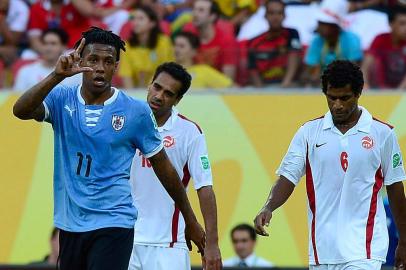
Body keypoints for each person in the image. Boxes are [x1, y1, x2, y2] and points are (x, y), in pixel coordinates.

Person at [12, 27, 205, 270]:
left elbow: (163, 167)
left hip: (114, 222)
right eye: (93, 60)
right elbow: (20, 111)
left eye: (108, 61)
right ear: (80, 60)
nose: (100, 67)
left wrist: (190, 218)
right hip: (70, 223)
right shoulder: (61, 98)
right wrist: (56, 75)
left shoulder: (135, 112)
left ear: (116, 66)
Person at [254, 60, 406, 269]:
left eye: (345, 98)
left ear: (359, 92)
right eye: (331, 98)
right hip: (321, 251)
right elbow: (288, 177)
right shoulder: (308, 132)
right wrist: (268, 207)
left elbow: (396, 188)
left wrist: (404, 241)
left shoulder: (382, 133)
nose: (337, 105)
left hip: (365, 249)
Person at [128, 62, 222, 270]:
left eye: (168, 93)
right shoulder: (126, 123)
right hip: (125, 238)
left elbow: (205, 187)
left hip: (169, 244)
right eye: (157, 87)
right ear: (149, 85)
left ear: (177, 99)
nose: (159, 96)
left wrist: (213, 244)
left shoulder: (189, 132)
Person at [302, 0, 362, 86]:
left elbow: (354, 71)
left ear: (335, 26)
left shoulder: (351, 40)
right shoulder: (316, 40)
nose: (319, 26)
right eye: (319, 22)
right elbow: (310, 70)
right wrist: (312, 75)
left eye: (323, 23)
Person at [247, 0, 301, 87]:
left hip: (287, 87)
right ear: (265, 16)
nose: (275, 17)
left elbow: (294, 56)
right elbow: (253, 70)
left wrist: (284, 86)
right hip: (263, 89)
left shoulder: (292, 34)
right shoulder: (254, 42)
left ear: (284, 16)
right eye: (271, 13)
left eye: (279, 13)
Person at [119, 5, 174, 88]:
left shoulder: (164, 42)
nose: (135, 22)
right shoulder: (126, 46)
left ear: (152, 23)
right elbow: (126, 77)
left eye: (140, 18)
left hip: (160, 90)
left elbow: (167, 71)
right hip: (136, 91)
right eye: (133, 18)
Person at [184, 0, 238, 80]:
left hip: (216, 87)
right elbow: (181, 64)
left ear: (212, 16)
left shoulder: (226, 39)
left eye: (201, 10)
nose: (195, 14)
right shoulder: (188, 31)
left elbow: (228, 78)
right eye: (194, 9)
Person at [14, 28, 82, 91]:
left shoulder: (74, 74)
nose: (48, 48)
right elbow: (16, 99)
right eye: (45, 43)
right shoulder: (26, 72)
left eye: (53, 44)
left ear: (63, 46)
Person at [362, 6, 406, 90]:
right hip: (379, 89)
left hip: (402, 91)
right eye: (402, 24)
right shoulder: (380, 39)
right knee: (375, 61)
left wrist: (398, 93)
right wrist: (365, 85)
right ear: (391, 24)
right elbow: (366, 65)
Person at [0, 0, 29, 66]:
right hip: (3, 47)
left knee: (12, 53)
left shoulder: (21, 8)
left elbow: (12, 41)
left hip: (14, 46)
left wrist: (2, 14)